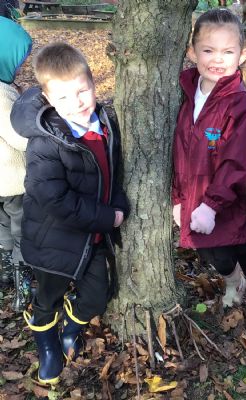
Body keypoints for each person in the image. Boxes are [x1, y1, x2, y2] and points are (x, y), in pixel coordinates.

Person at [10, 42, 129, 385]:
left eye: (82, 91)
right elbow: (54, 200)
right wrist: (109, 218)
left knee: (97, 296)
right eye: (63, 97)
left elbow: (114, 174)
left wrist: (119, 205)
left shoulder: (105, 124)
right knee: (47, 298)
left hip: (92, 237)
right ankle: (47, 346)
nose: (76, 103)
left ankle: (71, 329)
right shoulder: (46, 142)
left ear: (93, 83)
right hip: (53, 240)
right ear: (48, 98)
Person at [172, 8, 246, 327]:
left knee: (241, 248)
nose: (217, 59)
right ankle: (232, 282)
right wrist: (178, 198)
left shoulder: (238, 102)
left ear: (242, 55)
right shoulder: (187, 91)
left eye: (227, 52)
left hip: (229, 199)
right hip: (194, 196)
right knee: (214, 255)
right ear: (192, 52)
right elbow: (179, 150)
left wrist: (212, 204)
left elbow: (235, 160)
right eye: (208, 50)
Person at [0, 16, 33, 312]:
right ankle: (23, 285)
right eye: (19, 62)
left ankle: (5, 273)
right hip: (12, 180)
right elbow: (18, 137)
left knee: (2, 228)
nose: (21, 68)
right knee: (22, 229)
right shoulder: (2, 94)